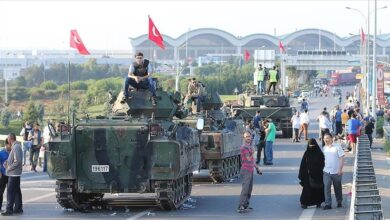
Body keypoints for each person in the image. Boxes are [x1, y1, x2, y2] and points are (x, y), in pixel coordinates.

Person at [237, 131, 261, 213]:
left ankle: (246, 204)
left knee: (249, 189)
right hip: (245, 170)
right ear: (244, 138)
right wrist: (253, 152)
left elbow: (253, 160)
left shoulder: (250, 147)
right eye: (247, 136)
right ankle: (240, 206)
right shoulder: (244, 147)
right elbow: (248, 159)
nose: (248, 138)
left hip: (250, 170)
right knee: (245, 189)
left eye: (249, 136)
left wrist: (257, 168)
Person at [298, 138, 325, 209]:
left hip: (318, 175)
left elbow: (323, 163)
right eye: (310, 145)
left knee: (318, 189)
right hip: (308, 175)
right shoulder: (307, 153)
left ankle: (318, 202)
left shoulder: (320, 154)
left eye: (313, 145)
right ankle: (305, 203)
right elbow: (303, 165)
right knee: (307, 190)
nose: (312, 147)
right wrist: (302, 175)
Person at [2, 133, 23, 216]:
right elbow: (14, 159)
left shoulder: (16, 147)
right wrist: (7, 162)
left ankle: (9, 209)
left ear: (10, 139)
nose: (7, 141)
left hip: (14, 173)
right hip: (15, 173)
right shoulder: (15, 146)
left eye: (8, 139)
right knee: (17, 191)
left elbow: (18, 161)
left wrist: (9, 168)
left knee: (10, 192)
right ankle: (18, 208)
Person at [322, 133, 345, 210]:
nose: (326, 140)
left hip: (336, 171)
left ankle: (339, 201)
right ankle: (328, 204)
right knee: (326, 187)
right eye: (324, 138)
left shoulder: (337, 147)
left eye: (327, 138)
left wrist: (340, 169)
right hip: (326, 172)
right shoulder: (324, 148)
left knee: (337, 188)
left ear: (331, 138)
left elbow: (342, 158)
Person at [0, 138, 11, 211]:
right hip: (3, 175)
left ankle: (9, 207)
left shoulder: (13, 152)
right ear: (6, 144)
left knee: (11, 192)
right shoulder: (1, 153)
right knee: (0, 191)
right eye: (10, 144)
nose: (11, 146)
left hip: (11, 175)